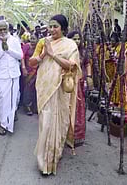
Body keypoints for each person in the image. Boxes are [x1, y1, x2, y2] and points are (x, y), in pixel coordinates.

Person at [29, 14, 81, 176]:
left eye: (55, 26)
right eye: (50, 26)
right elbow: (32, 61)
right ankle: (43, 161)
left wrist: (52, 54)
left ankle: (52, 159)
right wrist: (43, 54)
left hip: (59, 89)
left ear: (63, 28)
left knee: (57, 122)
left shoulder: (70, 45)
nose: (52, 30)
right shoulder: (43, 42)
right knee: (46, 122)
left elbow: (71, 67)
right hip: (44, 87)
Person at [0, 20, 23, 135]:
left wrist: (8, 49)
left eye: (4, 29)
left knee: (13, 99)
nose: (3, 31)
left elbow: (20, 55)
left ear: (8, 29)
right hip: (1, 75)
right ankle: (3, 123)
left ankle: (10, 121)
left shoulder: (14, 40)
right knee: (2, 99)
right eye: (0, 29)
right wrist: (2, 51)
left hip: (13, 74)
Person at [66, 30, 90, 148]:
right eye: (74, 39)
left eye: (78, 39)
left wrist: (89, 76)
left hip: (80, 83)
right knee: (67, 108)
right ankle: (65, 135)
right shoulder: (65, 51)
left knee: (79, 108)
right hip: (67, 84)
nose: (76, 41)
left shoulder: (83, 52)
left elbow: (87, 64)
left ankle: (77, 136)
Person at [21, 34, 39, 116]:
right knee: (27, 87)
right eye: (31, 38)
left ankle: (34, 107)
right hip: (28, 70)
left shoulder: (39, 47)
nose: (32, 40)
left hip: (37, 70)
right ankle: (27, 106)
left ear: (37, 39)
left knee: (35, 88)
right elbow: (22, 57)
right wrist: (23, 68)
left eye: (34, 39)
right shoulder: (26, 46)